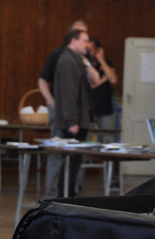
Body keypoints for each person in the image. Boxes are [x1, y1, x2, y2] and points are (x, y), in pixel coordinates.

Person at [39, 20, 94, 198]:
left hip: (77, 117)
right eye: (85, 40)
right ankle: (57, 196)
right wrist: (72, 120)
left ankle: (68, 194)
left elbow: (93, 81)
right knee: (64, 159)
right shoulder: (66, 60)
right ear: (73, 40)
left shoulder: (77, 59)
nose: (88, 45)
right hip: (71, 119)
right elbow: (69, 93)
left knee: (74, 160)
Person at [87, 38, 118, 143]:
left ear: (97, 50)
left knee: (108, 139)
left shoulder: (106, 63)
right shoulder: (84, 64)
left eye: (90, 50)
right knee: (86, 139)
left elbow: (113, 79)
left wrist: (102, 60)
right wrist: (103, 79)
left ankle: (107, 156)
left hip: (104, 108)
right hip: (88, 109)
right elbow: (89, 86)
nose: (88, 52)